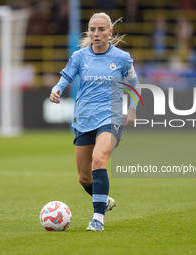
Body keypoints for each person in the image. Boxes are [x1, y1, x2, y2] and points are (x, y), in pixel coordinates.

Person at [49, 12, 139, 231]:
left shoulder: (122, 58)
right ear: (88, 31)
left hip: (111, 118)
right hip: (84, 118)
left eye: (101, 29)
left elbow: (136, 84)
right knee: (83, 177)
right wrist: (56, 89)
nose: (96, 34)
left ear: (110, 32)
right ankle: (104, 199)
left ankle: (97, 217)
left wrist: (133, 108)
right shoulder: (80, 57)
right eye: (92, 29)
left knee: (99, 159)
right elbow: (65, 78)